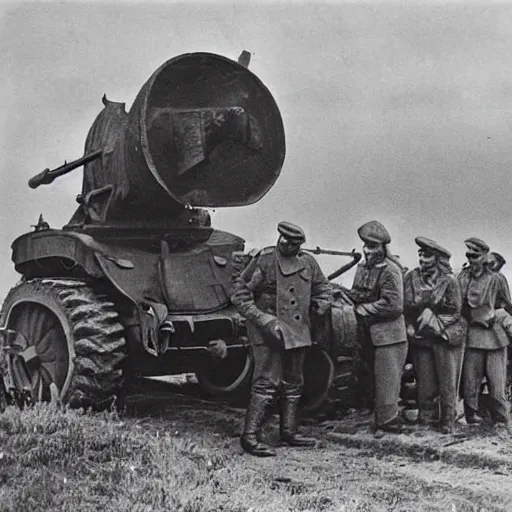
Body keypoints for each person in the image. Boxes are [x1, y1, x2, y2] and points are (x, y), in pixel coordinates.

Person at [231, 221, 332, 457]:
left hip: (298, 330)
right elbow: (240, 294)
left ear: (299, 246)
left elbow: (324, 288)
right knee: (266, 382)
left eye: (292, 242)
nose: (285, 244)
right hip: (268, 330)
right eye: (282, 239)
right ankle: (250, 437)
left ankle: (288, 432)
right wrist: (263, 319)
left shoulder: (308, 263)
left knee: (294, 382)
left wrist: (319, 306)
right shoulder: (265, 259)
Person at [347, 220, 408, 435]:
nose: (367, 250)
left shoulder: (391, 270)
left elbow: (394, 305)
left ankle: (389, 422)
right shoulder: (362, 268)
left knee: (387, 381)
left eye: (372, 246)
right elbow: (357, 292)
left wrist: (366, 309)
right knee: (373, 379)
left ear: (382, 248)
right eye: (366, 245)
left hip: (389, 334)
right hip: (371, 334)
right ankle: (378, 419)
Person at [404, 237, 466, 434]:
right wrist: (410, 325)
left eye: (427, 255)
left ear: (438, 259)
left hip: (443, 337)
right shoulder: (411, 277)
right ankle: (426, 420)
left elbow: (455, 311)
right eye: (420, 255)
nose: (422, 260)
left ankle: (448, 421)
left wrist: (436, 324)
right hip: (421, 337)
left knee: (447, 382)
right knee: (425, 382)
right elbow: (405, 306)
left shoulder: (449, 281)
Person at [458, 238, 511, 428]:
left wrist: (497, 313)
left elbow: (507, 304)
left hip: (496, 336)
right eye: (468, 256)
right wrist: (473, 316)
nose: (471, 260)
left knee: (497, 382)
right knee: (470, 381)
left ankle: (501, 419)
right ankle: (471, 416)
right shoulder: (463, 278)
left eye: (475, 256)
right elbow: (457, 306)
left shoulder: (497, 279)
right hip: (473, 334)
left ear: (484, 256)